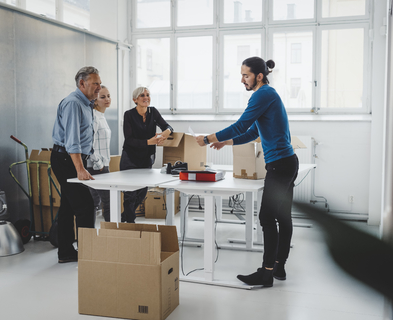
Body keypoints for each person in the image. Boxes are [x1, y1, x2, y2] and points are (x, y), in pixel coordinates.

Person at [195, 57, 299, 287]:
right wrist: (226, 142)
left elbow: (242, 124)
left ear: (259, 76)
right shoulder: (268, 95)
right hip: (287, 162)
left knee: (266, 217)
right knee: (282, 216)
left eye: (246, 75)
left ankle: (267, 272)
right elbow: (252, 132)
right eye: (242, 75)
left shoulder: (262, 94)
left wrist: (207, 138)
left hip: (280, 165)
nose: (242, 80)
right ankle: (278, 267)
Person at [51, 66, 101, 263]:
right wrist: (79, 169)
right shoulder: (73, 103)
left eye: (99, 82)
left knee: (68, 207)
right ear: (82, 83)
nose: (99, 87)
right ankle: (88, 254)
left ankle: (65, 252)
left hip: (71, 158)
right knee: (85, 206)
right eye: (95, 83)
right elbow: (73, 141)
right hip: (66, 160)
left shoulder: (87, 104)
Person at [120, 87, 173, 223]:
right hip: (130, 158)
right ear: (135, 100)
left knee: (142, 192)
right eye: (142, 95)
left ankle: (124, 217)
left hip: (146, 158)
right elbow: (129, 140)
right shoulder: (129, 115)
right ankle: (130, 223)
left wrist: (166, 132)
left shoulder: (153, 112)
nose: (146, 97)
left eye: (148, 95)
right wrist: (148, 142)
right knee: (130, 193)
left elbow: (167, 126)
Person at [87, 85, 112, 222]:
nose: (107, 99)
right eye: (103, 97)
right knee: (106, 202)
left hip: (102, 165)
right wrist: (99, 163)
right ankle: (111, 235)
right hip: (96, 167)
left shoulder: (101, 116)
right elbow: (89, 143)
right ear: (95, 100)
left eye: (108, 96)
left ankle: (97, 236)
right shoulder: (94, 117)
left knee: (96, 202)